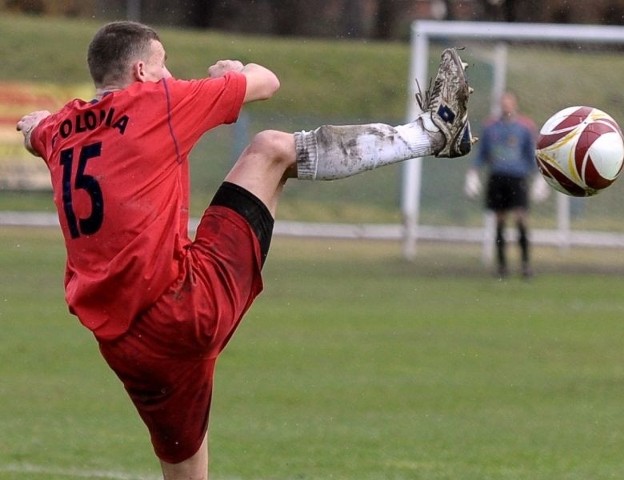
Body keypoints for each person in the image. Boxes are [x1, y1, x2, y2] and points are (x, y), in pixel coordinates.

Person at [17, 21, 472, 480]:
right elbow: (266, 82)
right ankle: (433, 133)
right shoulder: (158, 100)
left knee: (188, 475)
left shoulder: (59, 130)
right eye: (164, 65)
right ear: (141, 71)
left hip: (124, 345)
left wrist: (33, 125)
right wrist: (230, 70)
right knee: (270, 150)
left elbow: (33, 131)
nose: (170, 75)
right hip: (184, 307)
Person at [464, 91, 548, 279]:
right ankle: (502, 267)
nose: (506, 106)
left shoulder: (525, 127)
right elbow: (482, 154)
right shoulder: (490, 127)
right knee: (499, 221)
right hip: (497, 177)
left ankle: (526, 265)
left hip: (518, 178)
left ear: (515, 104)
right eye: (503, 102)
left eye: (509, 102)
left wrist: (540, 177)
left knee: (521, 218)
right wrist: (473, 173)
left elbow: (531, 154)